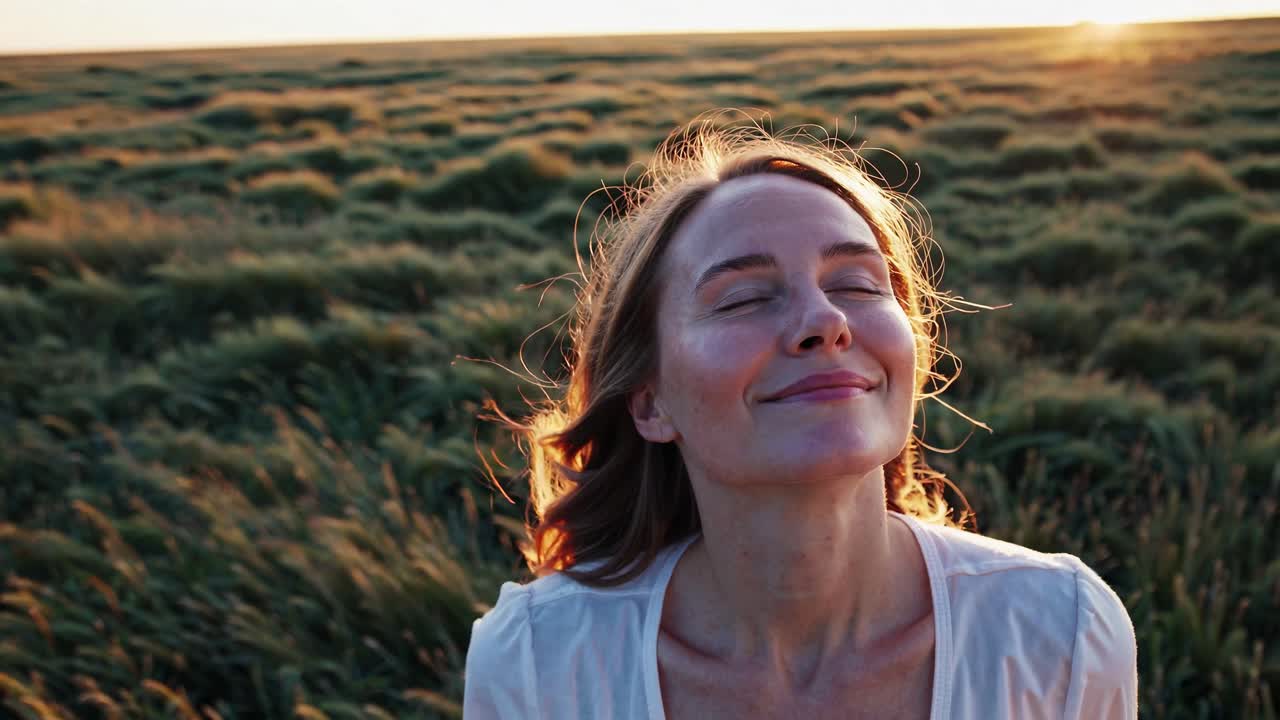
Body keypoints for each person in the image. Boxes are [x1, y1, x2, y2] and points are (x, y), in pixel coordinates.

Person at [463, 117, 1138, 719]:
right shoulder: (537, 664)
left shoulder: (1060, 634)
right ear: (649, 402)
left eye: (858, 284)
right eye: (743, 299)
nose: (826, 319)